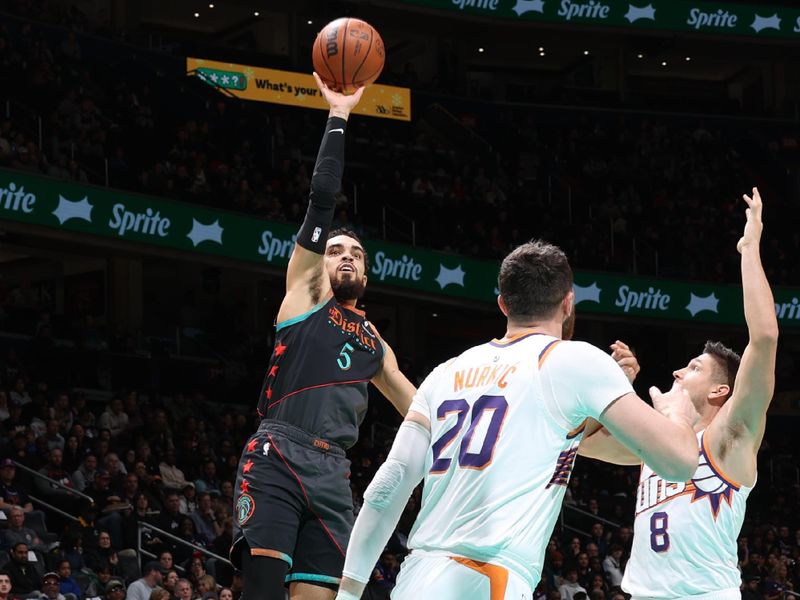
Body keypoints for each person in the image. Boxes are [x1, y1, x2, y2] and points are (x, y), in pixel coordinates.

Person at [334, 238, 698, 599]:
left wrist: (349, 591)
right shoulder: (574, 360)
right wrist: (677, 415)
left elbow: (388, 487)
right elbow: (680, 462)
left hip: (417, 577)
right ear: (568, 303)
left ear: (503, 304)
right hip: (488, 578)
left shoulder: (445, 373)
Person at [231, 73, 416, 600]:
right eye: (336, 250)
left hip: (334, 473)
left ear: (368, 274)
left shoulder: (373, 342)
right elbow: (320, 198)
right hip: (278, 454)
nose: (346, 256)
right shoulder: (306, 296)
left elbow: (421, 409)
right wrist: (339, 115)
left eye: (356, 253)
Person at [579, 189, 778, 600]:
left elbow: (764, 337)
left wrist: (749, 248)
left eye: (694, 368)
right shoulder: (658, 445)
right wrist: (618, 387)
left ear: (721, 390)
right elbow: (580, 441)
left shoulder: (729, 439)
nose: (676, 372)